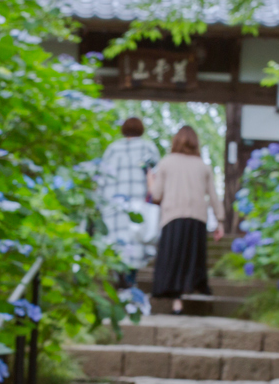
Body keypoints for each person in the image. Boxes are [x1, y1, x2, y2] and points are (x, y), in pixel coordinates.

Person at [147, 124, 220, 313]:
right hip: (198, 218)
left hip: (173, 217)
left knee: (173, 258)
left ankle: (176, 301)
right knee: (193, 258)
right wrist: (220, 221)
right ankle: (196, 294)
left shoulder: (166, 163)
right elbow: (213, 196)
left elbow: (156, 195)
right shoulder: (203, 166)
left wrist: (150, 180)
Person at [94, 116, 158, 287]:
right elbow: (154, 176)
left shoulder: (112, 149)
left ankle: (120, 280)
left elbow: (102, 177)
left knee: (116, 243)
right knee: (136, 243)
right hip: (138, 204)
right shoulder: (147, 148)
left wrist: (98, 203)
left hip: (113, 204)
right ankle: (130, 281)